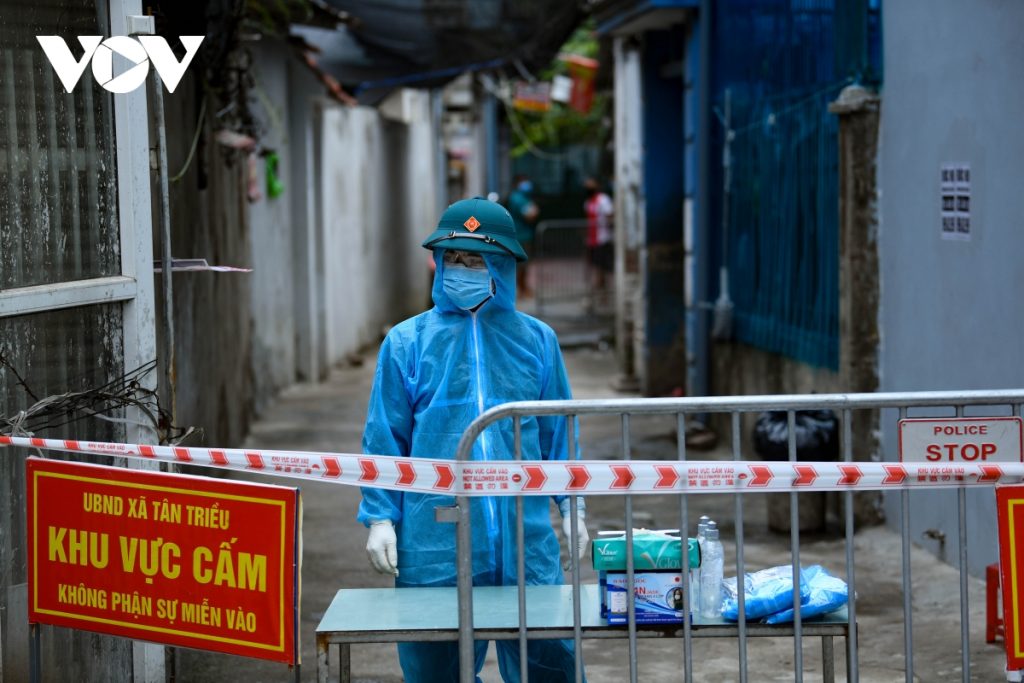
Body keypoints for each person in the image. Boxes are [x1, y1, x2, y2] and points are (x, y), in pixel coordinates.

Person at [358, 196, 589, 683]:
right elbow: (385, 437)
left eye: (478, 259)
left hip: (525, 537)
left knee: (549, 659)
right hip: (435, 539)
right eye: (455, 258)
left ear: (502, 266)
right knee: (436, 666)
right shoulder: (406, 342)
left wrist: (572, 508)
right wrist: (380, 516)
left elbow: (559, 433)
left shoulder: (536, 341)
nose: (463, 269)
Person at [506, 175, 539, 298]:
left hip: (524, 235)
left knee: (524, 265)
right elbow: (529, 216)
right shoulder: (517, 198)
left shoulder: (524, 197)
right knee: (520, 265)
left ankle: (523, 288)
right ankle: (520, 289)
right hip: (520, 236)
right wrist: (534, 211)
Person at [583, 176, 614, 306]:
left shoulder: (603, 200)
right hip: (592, 240)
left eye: (591, 184)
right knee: (596, 269)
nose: (588, 187)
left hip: (603, 239)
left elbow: (610, 215)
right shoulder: (587, 202)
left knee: (601, 269)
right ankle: (601, 295)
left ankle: (599, 296)